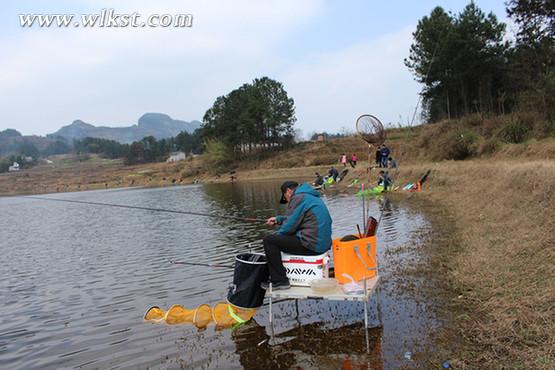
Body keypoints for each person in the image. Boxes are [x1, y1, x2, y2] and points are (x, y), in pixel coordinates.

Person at [262, 181, 333, 290]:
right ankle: (280, 277)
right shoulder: (309, 196)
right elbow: (297, 219)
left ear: (288, 191)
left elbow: (289, 227)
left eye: (285, 198)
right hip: (322, 244)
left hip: (312, 245)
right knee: (275, 240)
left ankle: (280, 281)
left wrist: (278, 238)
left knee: (269, 241)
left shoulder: (298, 198)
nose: (287, 201)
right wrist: (278, 220)